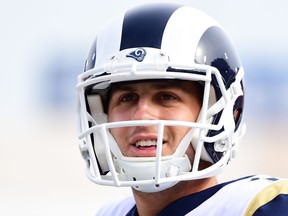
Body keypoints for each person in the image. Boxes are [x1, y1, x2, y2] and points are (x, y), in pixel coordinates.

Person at [76, 3, 288, 216]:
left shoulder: (261, 208)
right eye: (127, 98)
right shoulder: (109, 213)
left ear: (216, 114)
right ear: (101, 116)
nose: (142, 116)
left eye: (166, 97)